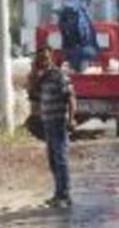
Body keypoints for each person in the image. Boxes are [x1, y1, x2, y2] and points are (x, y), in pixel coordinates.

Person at [34, 46, 76, 208]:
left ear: (51, 57)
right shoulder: (43, 77)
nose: (43, 61)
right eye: (40, 59)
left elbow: (71, 97)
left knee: (60, 159)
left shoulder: (59, 75)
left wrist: (71, 119)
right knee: (52, 160)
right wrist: (34, 73)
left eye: (45, 58)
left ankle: (65, 195)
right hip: (47, 123)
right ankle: (58, 193)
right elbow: (33, 94)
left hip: (58, 122)